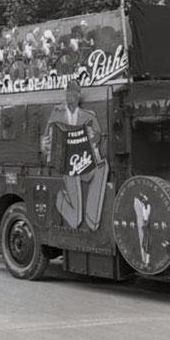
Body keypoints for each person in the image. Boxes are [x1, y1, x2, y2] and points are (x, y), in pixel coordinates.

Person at [41, 80, 108, 231]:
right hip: (66, 165)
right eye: (69, 92)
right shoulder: (56, 113)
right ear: (66, 94)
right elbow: (46, 139)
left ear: (79, 96)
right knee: (76, 219)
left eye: (75, 92)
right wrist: (45, 146)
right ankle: (61, 201)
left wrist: (94, 138)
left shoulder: (88, 115)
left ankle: (92, 218)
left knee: (103, 166)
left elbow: (99, 137)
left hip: (83, 162)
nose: (71, 95)